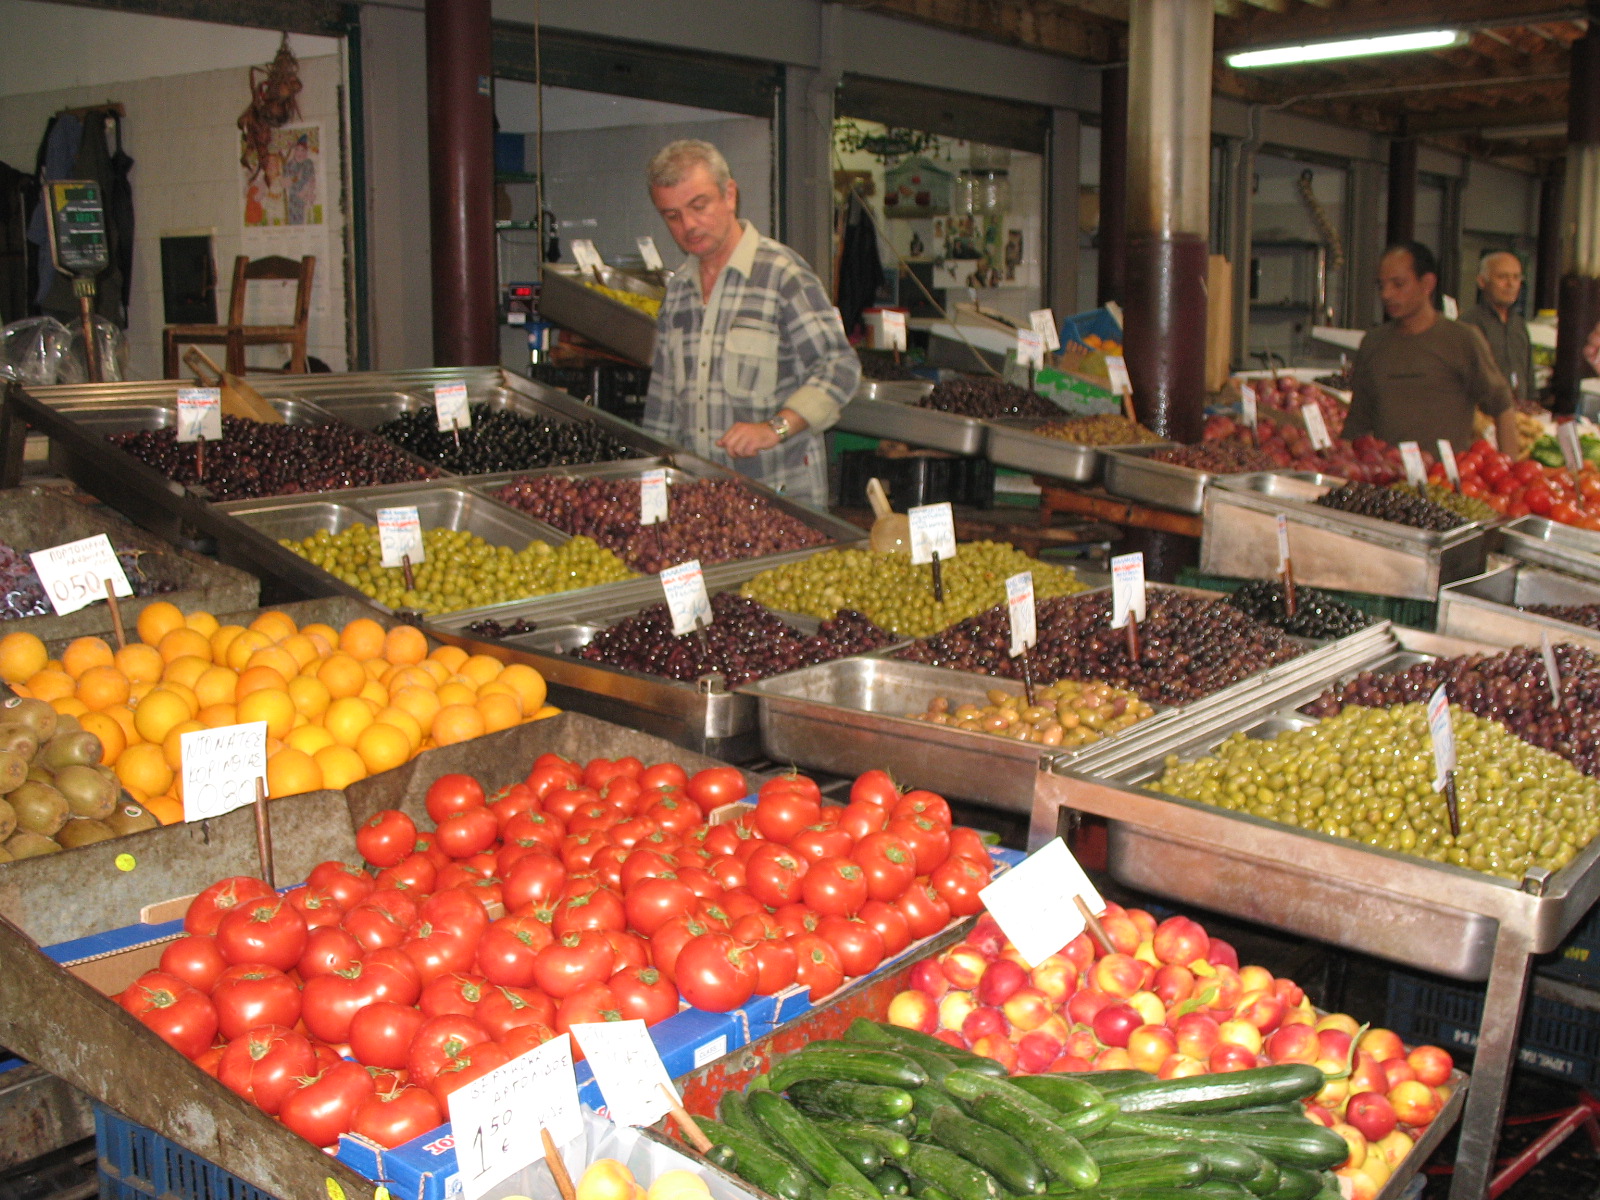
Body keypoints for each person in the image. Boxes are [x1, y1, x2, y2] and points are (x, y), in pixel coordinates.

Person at [642, 139, 859, 508]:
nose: (688, 225)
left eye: (699, 206)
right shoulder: (678, 291)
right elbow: (662, 406)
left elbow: (839, 367)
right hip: (700, 501)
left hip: (779, 498)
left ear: (729, 195)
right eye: (672, 215)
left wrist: (775, 428)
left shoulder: (782, 276)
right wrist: (650, 501)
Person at [1345, 242, 1518, 454]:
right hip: (1385, 479)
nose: (1386, 294)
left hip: (1444, 480)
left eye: (1398, 284)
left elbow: (1502, 406)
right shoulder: (1373, 343)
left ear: (1427, 284)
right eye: (1381, 286)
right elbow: (1357, 424)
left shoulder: (1462, 339)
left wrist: (1511, 473)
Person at [1459, 251, 1533, 402]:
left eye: (1516, 277)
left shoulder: (1518, 323)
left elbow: (1528, 373)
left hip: (1520, 412)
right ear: (1482, 281)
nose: (1511, 284)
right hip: (1483, 413)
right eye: (1502, 277)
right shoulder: (1469, 322)